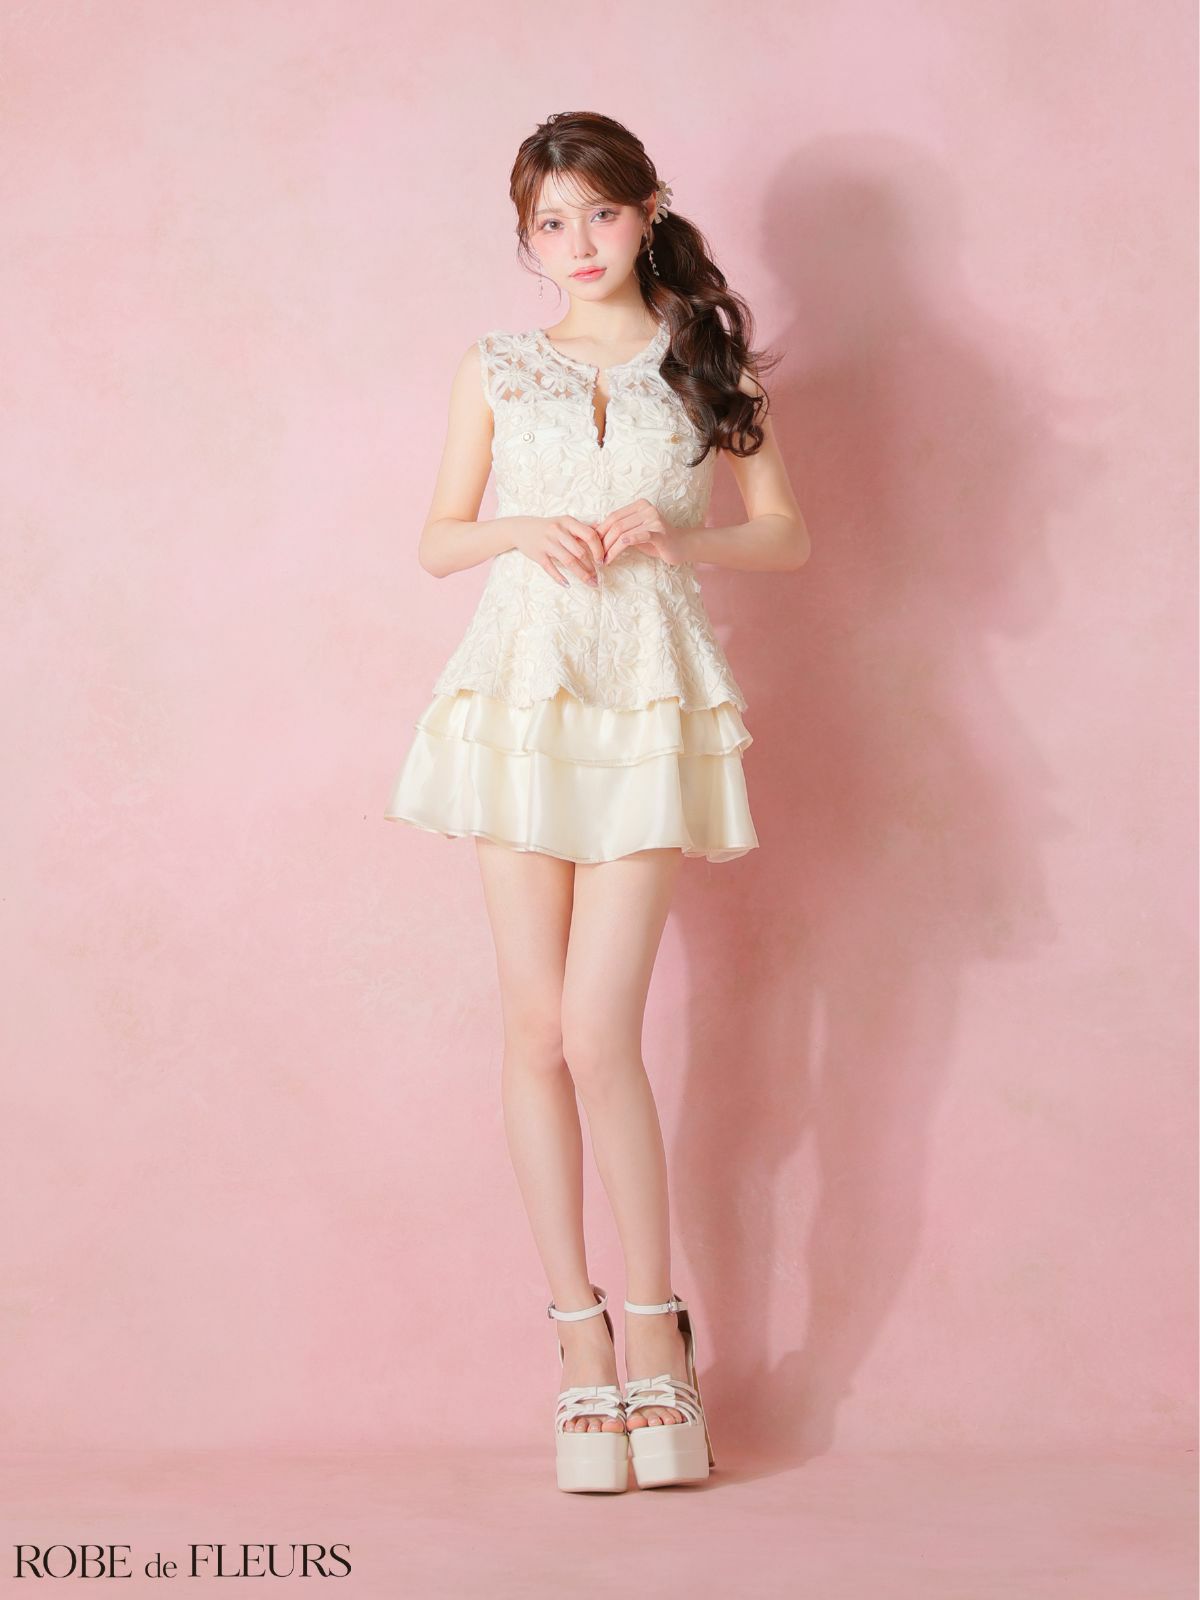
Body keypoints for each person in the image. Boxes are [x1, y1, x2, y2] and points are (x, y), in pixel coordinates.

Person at [385, 111, 809, 1492]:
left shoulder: (704, 353)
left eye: (601, 214)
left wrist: (680, 531)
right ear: (527, 237)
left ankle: (655, 1330)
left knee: (594, 1026)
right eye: (550, 223)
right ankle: (579, 1345)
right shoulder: (496, 364)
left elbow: (786, 532)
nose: (577, 244)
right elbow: (439, 539)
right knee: (532, 1026)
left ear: (647, 212)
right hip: (519, 696)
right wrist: (521, 527)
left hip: (644, 704)